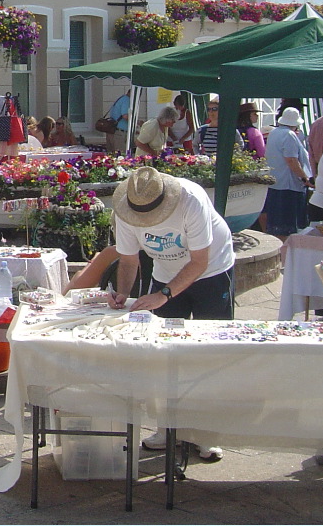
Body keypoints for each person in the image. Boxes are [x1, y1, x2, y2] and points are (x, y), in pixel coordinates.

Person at [108, 165, 235, 462]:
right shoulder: (126, 209)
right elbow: (128, 261)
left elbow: (199, 262)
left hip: (212, 270)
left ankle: (207, 433)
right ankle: (167, 427)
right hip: (165, 273)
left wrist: (162, 295)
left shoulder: (191, 199)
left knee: (209, 353)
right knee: (164, 353)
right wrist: (123, 293)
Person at [262, 107, 312, 238]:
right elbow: (291, 160)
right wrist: (304, 178)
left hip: (276, 184)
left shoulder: (274, 133)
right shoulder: (289, 135)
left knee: (276, 228)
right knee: (288, 229)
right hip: (288, 187)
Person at [106, 88, 132, 154]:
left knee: (111, 155)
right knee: (121, 155)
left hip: (112, 130)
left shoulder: (121, 98)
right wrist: (137, 122)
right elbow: (125, 116)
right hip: (119, 132)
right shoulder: (126, 100)